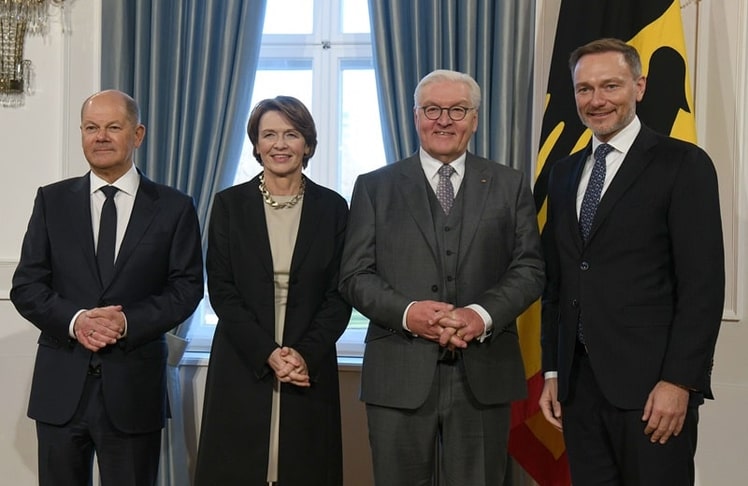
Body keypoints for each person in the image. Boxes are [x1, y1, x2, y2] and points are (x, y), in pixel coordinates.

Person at [339, 69, 545, 486]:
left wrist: (481, 316)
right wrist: (409, 313)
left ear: (474, 119)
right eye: (432, 109)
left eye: (457, 110)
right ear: (416, 117)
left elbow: (530, 268)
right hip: (398, 374)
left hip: (484, 375)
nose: (444, 120)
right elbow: (354, 275)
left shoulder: (510, 184)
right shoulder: (374, 187)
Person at [539, 38, 724, 485]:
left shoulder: (684, 164)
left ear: (639, 87)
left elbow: (703, 286)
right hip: (579, 390)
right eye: (584, 89)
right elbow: (558, 281)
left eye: (610, 86)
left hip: (653, 391)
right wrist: (552, 371)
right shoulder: (564, 173)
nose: (596, 100)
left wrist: (680, 382)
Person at [10, 90, 204, 486]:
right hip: (60, 390)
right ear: (81, 134)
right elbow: (26, 285)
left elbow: (186, 289)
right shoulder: (52, 201)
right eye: (91, 128)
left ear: (137, 134)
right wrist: (77, 320)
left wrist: (125, 322)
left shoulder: (174, 206)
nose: (100, 137)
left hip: (133, 390)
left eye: (113, 127)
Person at [194, 96, 352, 486]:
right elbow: (222, 290)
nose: (280, 144)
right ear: (256, 144)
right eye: (269, 135)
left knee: (306, 467)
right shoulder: (229, 205)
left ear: (308, 145)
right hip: (243, 355)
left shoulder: (334, 208)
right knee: (237, 468)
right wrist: (267, 353)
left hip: (307, 359)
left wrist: (303, 353)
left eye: (291, 134)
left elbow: (341, 292)